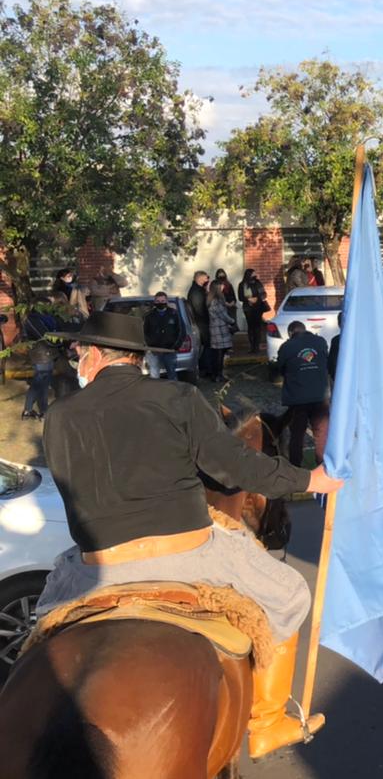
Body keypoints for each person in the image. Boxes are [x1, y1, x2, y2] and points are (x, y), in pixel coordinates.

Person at [36, 311, 343, 759]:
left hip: (95, 564)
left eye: (80, 351)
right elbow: (235, 466)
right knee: (291, 593)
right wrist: (309, 479)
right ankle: (267, 722)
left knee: (41, 623)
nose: (78, 358)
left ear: (97, 355)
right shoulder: (178, 397)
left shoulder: (59, 415)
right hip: (187, 552)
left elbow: (71, 490)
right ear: (136, 358)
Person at [278, 321, 330, 469]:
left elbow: (281, 369)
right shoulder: (320, 342)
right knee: (322, 434)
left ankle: (295, 467)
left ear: (290, 333)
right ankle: (323, 466)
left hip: (297, 397)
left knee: (297, 435)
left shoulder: (286, 347)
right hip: (320, 395)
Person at [20, 298, 61, 419]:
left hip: (47, 353)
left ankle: (39, 410)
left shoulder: (44, 318)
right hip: (42, 355)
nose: (50, 308)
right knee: (40, 383)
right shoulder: (33, 319)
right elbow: (45, 337)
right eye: (47, 305)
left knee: (42, 383)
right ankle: (31, 410)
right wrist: (60, 342)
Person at [143, 291, 183, 380]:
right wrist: (150, 346)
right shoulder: (149, 316)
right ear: (154, 302)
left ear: (166, 301)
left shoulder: (174, 314)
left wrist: (175, 347)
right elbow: (145, 332)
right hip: (154, 351)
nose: (160, 303)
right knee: (154, 376)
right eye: (158, 301)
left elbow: (181, 331)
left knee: (172, 375)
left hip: (170, 350)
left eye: (162, 301)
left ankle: (173, 389)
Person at [206, 280, 235, 383]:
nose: (223, 287)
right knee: (219, 354)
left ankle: (217, 374)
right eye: (221, 285)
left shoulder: (211, 299)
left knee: (218, 353)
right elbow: (223, 315)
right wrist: (232, 321)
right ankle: (218, 375)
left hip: (216, 328)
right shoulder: (216, 300)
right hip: (219, 330)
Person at [187, 270, 213, 379]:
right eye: (206, 278)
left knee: (206, 345)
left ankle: (205, 368)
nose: (207, 280)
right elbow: (199, 309)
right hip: (201, 323)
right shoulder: (196, 292)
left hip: (201, 322)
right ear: (200, 278)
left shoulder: (199, 290)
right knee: (207, 345)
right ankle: (205, 368)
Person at [239, 269, 270, 353]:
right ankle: (252, 346)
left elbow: (264, 294)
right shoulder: (242, 284)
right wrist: (248, 299)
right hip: (248, 308)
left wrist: (257, 298)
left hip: (258, 307)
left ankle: (256, 347)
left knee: (257, 327)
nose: (255, 275)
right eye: (253, 274)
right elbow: (240, 297)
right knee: (251, 327)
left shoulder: (257, 283)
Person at [327, 312, 343, 384]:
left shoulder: (336, 340)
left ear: (339, 324)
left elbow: (332, 362)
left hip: (339, 377)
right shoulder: (362, 339)